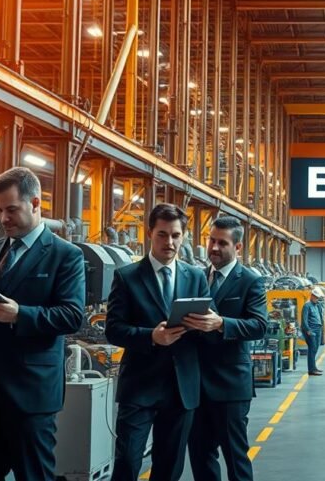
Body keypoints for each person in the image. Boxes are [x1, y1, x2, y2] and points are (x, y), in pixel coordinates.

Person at [0, 166, 85, 481]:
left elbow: (72, 315)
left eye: (11, 209)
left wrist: (20, 314)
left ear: (35, 204)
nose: (3, 219)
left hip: (31, 398)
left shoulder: (66, 255)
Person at [106, 204, 209, 481]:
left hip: (181, 387)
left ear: (184, 237)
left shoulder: (196, 277)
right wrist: (151, 336)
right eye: (162, 235)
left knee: (169, 466)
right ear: (149, 233)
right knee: (127, 462)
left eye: (176, 235)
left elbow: (203, 332)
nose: (170, 242)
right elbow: (113, 330)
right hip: (140, 385)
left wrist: (208, 326)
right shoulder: (127, 276)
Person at [187, 216, 268, 481]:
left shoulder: (250, 281)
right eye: (211, 240)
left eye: (222, 243)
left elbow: (258, 326)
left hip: (230, 384)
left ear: (238, 247)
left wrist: (222, 323)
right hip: (196, 383)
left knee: (235, 455)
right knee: (200, 454)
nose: (214, 248)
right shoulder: (197, 277)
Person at [302, 287, 325, 376]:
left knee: (315, 349)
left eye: (318, 298)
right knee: (312, 349)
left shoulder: (318, 305)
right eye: (316, 297)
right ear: (312, 296)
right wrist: (308, 330)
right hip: (311, 330)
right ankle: (311, 370)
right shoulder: (307, 306)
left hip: (318, 329)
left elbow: (321, 316)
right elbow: (304, 320)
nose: (317, 299)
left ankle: (314, 367)